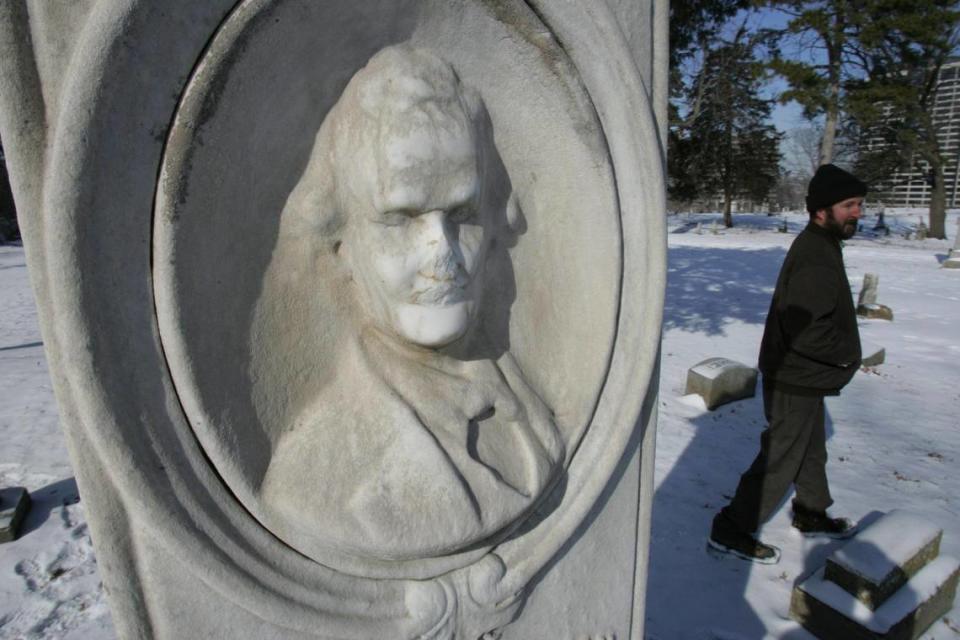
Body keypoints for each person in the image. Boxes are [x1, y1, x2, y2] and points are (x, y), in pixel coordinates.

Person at [258, 45, 563, 569]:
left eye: (463, 214)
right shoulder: (314, 477)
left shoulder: (529, 408)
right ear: (342, 243)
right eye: (400, 219)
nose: (442, 257)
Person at [708, 164, 867, 564]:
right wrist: (848, 354)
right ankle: (731, 529)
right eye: (849, 205)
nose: (857, 212)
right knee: (781, 456)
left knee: (811, 448)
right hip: (795, 376)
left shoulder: (823, 244)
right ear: (821, 210)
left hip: (804, 376)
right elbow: (808, 331)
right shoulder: (816, 256)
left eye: (860, 204)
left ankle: (811, 511)